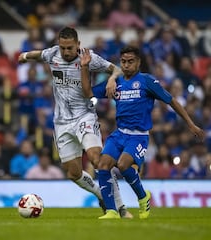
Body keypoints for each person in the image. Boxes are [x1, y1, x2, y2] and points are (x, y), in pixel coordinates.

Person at [18, 26, 132, 217]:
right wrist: (26, 55)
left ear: (78, 45)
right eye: (63, 47)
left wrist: (112, 78)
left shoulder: (89, 57)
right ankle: (101, 195)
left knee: (98, 160)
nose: (65, 52)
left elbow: (118, 70)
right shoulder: (52, 53)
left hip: (84, 116)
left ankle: (121, 208)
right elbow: (40, 55)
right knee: (73, 173)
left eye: (70, 48)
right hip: (61, 122)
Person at [82, 45, 205, 219]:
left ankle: (143, 196)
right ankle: (111, 211)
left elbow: (172, 101)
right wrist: (85, 67)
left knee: (124, 165)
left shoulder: (147, 81)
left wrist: (191, 125)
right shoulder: (116, 83)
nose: (126, 65)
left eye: (130, 61)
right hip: (119, 133)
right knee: (102, 165)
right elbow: (87, 92)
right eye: (123, 61)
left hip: (138, 136)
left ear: (138, 62)